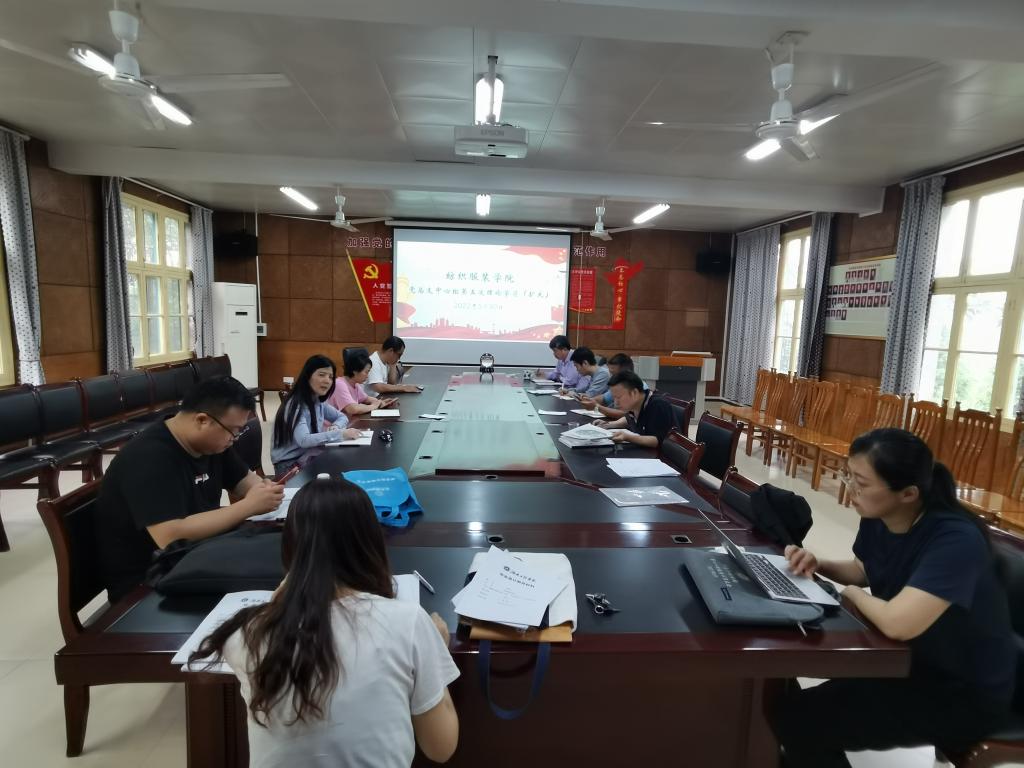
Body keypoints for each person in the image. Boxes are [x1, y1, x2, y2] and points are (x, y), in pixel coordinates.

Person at [776, 428, 1016, 767]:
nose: (850, 488)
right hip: (911, 660)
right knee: (784, 701)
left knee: (800, 722)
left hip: (962, 691)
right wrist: (818, 563)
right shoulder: (880, 515)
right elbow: (862, 570)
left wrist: (852, 595)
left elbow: (897, 623)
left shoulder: (955, 539)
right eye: (848, 475)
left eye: (861, 482)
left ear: (908, 493)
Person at [192, 478, 460, 767]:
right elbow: (440, 748)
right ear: (370, 543)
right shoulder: (408, 623)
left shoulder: (247, 633)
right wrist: (435, 650)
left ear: (290, 546)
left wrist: (283, 594)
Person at [96, 376, 285, 602]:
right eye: (233, 431)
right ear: (202, 420)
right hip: (152, 577)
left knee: (283, 561)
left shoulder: (211, 443)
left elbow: (245, 481)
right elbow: (170, 535)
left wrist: (264, 490)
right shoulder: (148, 457)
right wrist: (248, 506)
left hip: (195, 554)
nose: (234, 439)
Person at [271, 354, 362, 476]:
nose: (327, 380)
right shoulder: (295, 404)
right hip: (289, 465)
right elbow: (304, 440)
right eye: (321, 375)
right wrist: (340, 433)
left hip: (308, 456)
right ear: (308, 376)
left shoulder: (317, 401)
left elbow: (342, 417)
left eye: (330, 377)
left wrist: (336, 426)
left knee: (346, 465)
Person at [593, 371, 675, 448]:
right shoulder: (636, 404)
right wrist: (608, 424)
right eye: (614, 398)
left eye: (618, 397)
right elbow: (629, 419)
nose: (615, 403)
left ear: (634, 393)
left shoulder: (658, 405)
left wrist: (627, 437)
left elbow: (658, 441)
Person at [328, 349, 398, 418]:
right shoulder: (339, 384)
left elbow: (366, 399)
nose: (367, 375)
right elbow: (352, 409)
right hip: (335, 424)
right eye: (366, 372)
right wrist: (374, 406)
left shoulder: (355, 384)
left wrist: (380, 402)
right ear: (355, 371)